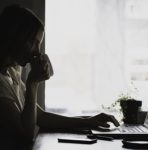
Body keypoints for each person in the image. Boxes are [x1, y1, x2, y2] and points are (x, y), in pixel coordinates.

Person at [0, 4, 119, 142]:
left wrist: (89, 121)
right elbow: (25, 134)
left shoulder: (11, 72)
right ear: (15, 36)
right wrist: (32, 83)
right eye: (33, 42)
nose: (37, 51)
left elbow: (41, 117)